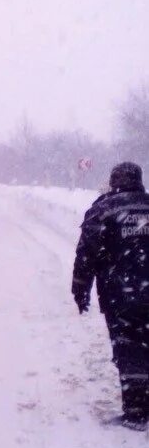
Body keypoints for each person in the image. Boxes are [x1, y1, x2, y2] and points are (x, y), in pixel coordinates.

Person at [73, 162, 149, 431]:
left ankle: (137, 412)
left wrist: (81, 288)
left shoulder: (103, 209)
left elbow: (86, 254)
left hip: (121, 295)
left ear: (114, 180)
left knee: (129, 346)